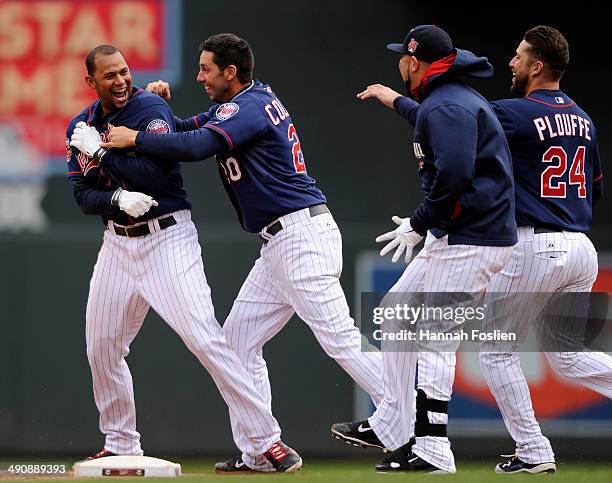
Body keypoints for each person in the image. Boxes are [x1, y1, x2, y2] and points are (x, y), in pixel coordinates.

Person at [95, 33, 384, 473]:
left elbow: (195, 148)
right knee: (238, 341)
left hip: (300, 235)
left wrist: (135, 138)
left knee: (337, 335)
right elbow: (190, 129)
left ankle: (408, 414)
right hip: (279, 242)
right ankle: (259, 451)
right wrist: (162, 116)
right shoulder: (244, 101)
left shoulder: (247, 108)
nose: (199, 76)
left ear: (230, 72)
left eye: (206, 69)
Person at [66, 44, 302, 473]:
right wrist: (115, 195)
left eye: (123, 72)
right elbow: (83, 195)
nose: (120, 82)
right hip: (117, 244)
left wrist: (103, 154)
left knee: (204, 338)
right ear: (91, 82)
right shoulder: (81, 124)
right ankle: (120, 442)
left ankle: (267, 440)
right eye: (109, 76)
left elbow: (157, 175)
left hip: (167, 238)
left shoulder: (147, 107)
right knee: (101, 347)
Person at [328, 25, 518, 474]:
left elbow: (453, 170)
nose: (399, 63)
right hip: (460, 233)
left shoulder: (448, 104)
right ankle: (393, 424)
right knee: (397, 313)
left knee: (434, 334)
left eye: (403, 57)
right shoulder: (445, 98)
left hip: (472, 237)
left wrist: (420, 221)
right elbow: (429, 118)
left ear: (414, 62)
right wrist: (392, 98)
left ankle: (433, 449)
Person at [478, 25, 611, 474]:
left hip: (538, 243)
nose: (512, 63)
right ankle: (532, 451)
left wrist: (398, 101)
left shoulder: (515, 111)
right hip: (581, 245)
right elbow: (594, 188)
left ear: (537, 66)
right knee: (570, 358)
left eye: (518, 56)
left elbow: (455, 120)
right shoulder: (585, 119)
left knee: (496, 349)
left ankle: (533, 452)